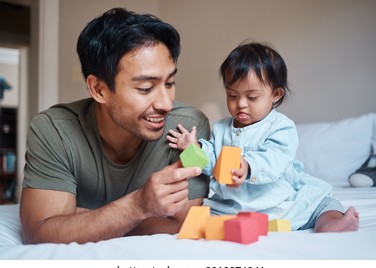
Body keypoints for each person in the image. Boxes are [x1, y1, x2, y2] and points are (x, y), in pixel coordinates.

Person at [20, 7, 210, 244]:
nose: (165, 104)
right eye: (146, 88)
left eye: (170, 82)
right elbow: (40, 233)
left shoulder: (188, 128)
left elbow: (184, 225)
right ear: (99, 89)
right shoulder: (54, 130)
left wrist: (85, 219)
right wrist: (138, 205)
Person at [167, 42, 359, 232]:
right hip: (232, 207)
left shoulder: (281, 127)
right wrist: (194, 148)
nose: (241, 104)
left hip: (278, 205)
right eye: (232, 95)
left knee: (322, 203)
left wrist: (248, 166)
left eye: (251, 97)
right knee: (201, 215)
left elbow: (275, 158)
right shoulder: (220, 128)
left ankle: (330, 222)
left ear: (275, 94)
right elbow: (213, 165)